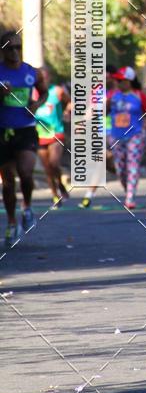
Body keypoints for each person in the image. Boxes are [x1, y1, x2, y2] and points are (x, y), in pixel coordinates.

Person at [0, 31, 48, 247]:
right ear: (3, 50)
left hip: (26, 129)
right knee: (8, 181)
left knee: (26, 173)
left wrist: (36, 105)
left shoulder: (32, 72)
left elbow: (44, 92)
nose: (15, 52)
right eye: (10, 48)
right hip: (2, 131)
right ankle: (11, 222)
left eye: (18, 47)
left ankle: (27, 207)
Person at [109, 66, 146, 211]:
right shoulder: (112, 95)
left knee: (133, 164)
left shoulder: (139, 95)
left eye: (122, 80)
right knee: (120, 168)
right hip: (116, 136)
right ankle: (128, 190)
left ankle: (130, 197)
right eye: (117, 80)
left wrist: (145, 126)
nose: (119, 83)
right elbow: (103, 111)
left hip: (135, 134)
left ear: (130, 81)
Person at [79, 65, 118, 209]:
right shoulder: (97, 91)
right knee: (102, 161)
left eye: (107, 75)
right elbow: (91, 109)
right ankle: (89, 195)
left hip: (117, 131)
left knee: (108, 162)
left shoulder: (120, 91)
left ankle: (126, 179)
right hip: (100, 131)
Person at [34, 67, 71, 207]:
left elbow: (70, 102)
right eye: (40, 78)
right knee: (47, 167)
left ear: (49, 77)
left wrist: (68, 111)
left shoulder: (57, 91)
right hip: (39, 134)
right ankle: (55, 195)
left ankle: (60, 184)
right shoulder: (32, 93)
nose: (42, 80)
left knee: (54, 163)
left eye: (45, 77)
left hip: (56, 132)